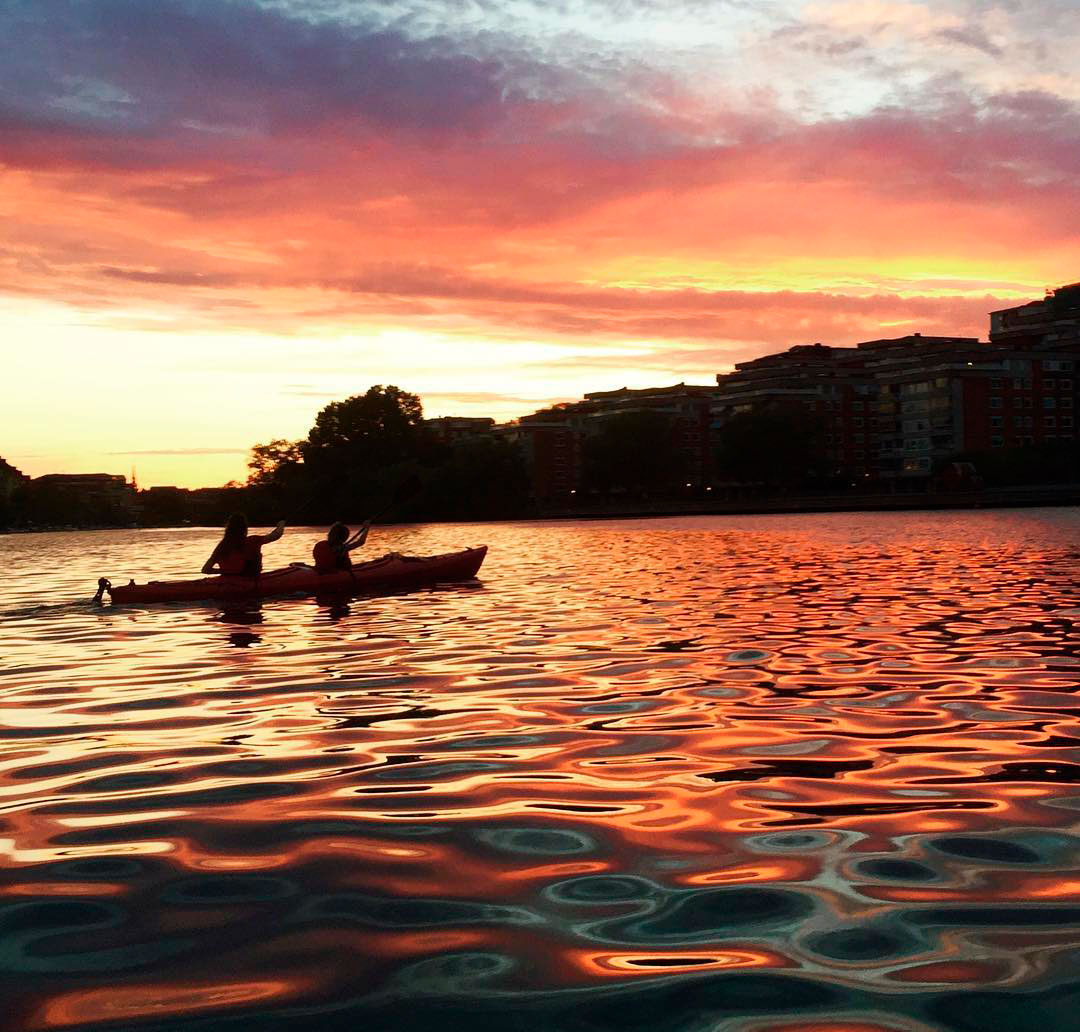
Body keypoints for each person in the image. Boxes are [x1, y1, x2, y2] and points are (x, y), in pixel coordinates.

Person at [202, 515, 285, 576]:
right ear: (244, 528)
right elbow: (276, 535)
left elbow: (206, 569)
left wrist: (225, 571)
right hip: (249, 579)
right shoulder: (253, 541)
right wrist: (281, 524)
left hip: (226, 580)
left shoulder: (222, 546)